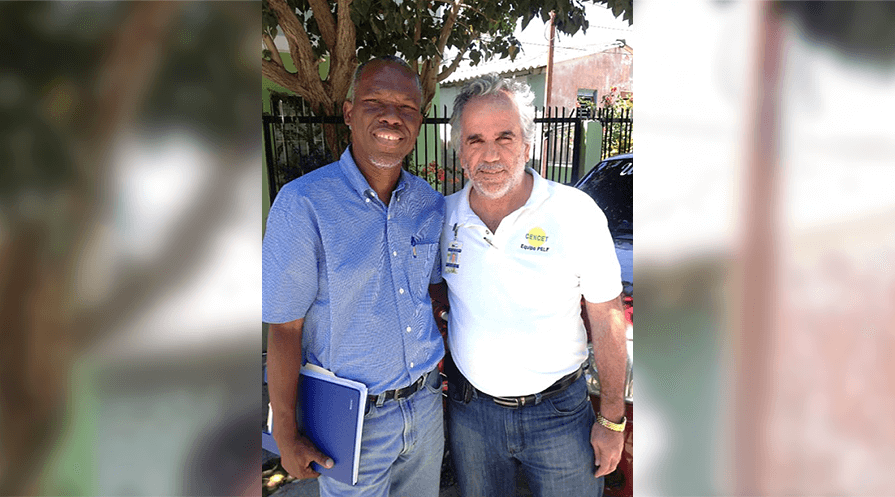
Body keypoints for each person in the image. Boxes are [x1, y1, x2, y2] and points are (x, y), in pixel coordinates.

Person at [262, 56, 445, 497]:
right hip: (350, 420)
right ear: (348, 112)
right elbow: (284, 328)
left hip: (425, 406)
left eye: (406, 107)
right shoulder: (303, 204)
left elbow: (434, 293)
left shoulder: (430, 204)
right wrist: (285, 435)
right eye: (376, 101)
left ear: (419, 121)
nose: (391, 116)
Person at [440, 73, 628, 496]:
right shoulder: (443, 217)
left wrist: (612, 419)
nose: (490, 156)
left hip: (559, 413)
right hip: (473, 416)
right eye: (474, 140)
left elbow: (607, 314)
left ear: (528, 144)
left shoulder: (574, 212)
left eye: (504, 138)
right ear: (459, 151)